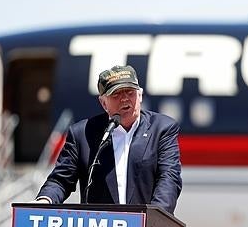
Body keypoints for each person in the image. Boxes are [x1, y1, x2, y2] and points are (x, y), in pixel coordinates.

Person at [35, 65, 182, 213]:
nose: (125, 99)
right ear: (103, 103)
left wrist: (154, 216)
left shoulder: (162, 129)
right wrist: (44, 200)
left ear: (140, 95)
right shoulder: (82, 134)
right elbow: (60, 180)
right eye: (116, 94)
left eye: (130, 92)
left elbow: (169, 178)